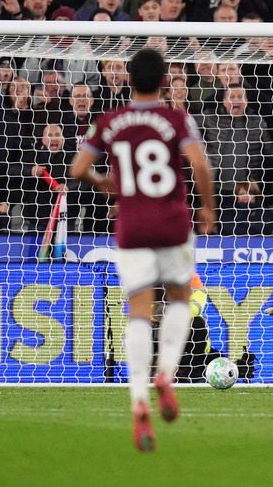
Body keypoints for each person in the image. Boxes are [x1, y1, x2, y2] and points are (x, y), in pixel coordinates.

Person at [69, 48, 215, 452]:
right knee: (180, 298)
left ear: (128, 80)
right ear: (165, 81)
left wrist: (103, 183)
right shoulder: (176, 119)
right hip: (173, 221)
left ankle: (138, 398)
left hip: (132, 224)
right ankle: (166, 372)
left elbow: (77, 169)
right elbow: (200, 165)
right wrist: (207, 206)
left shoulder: (109, 121)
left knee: (138, 309)